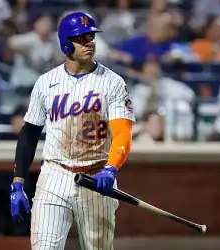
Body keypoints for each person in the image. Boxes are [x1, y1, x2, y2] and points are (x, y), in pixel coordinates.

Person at [9, 12, 136, 250]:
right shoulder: (46, 82)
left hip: (96, 175)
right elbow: (29, 134)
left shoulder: (113, 82)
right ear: (66, 43)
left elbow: (123, 133)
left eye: (91, 36)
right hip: (55, 175)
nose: (89, 41)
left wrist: (111, 168)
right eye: (81, 37)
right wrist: (17, 182)